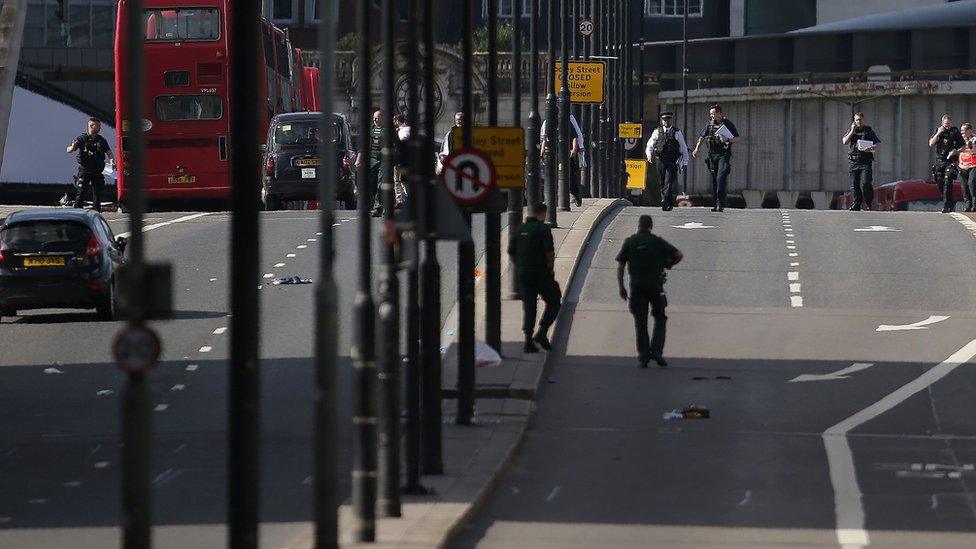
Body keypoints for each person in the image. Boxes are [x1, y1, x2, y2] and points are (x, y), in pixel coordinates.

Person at [616, 214, 683, 368]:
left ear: (638, 226)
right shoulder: (657, 242)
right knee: (660, 317)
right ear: (651, 226)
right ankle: (657, 350)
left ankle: (644, 355)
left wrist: (621, 287)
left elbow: (620, 267)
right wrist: (668, 264)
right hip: (655, 285)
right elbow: (679, 255)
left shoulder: (630, 242)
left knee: (640, 321)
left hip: (636, 286)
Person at [508, 202, 561, 353]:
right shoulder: (543, 228)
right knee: (555, 299)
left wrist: (520, 266)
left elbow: (511, 252)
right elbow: (549, 252)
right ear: (543, 213)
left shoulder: (520, 229)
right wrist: (550, 270)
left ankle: (527, 342)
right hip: (541, 273)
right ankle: (542, 331)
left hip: (524, 274)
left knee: (529, 305)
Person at [692, 104, 739, 212]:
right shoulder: (709, 125)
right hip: (712, 154)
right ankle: (716, 202)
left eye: (713, 113)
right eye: (710, 114)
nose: (711, 116)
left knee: (720, 177)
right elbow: (702, 137)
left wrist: (727, 139)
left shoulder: (727, 123)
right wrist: (696, 149)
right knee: (714, 179)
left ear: (719, 113)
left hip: (723, 153)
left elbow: (737, 138)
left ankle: (720, 203)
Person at [66, 118, 114, 212]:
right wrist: (72, 147)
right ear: (92, 126)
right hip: (85, 169)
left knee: (97, 191)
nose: (100, 128)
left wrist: (112, 160)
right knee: (81, 191)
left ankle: (96, 210)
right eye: (98, 126)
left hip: (97, 169)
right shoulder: (81, 138)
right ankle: (77, 210)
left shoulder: (101, 140)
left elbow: (109, 152)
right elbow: (69, 150)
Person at [645, 111, 690, 211]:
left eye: (668, 119)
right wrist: (649, 155)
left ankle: (664, 200)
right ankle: (667, 203)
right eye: (664, 119)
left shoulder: (677, 132)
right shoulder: (657, 131)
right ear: (661, 121)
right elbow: (650, 145)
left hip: (672, 160)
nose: (666, 121)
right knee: (661, 181)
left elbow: (683, 147)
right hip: (660, 160)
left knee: (669, 180)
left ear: (671, 120)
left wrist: (685, 162)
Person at [540, 114, 586, 207]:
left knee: (571, 177)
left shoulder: (567, 123)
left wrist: (574, 149)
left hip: (566, 154)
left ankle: (576, 196)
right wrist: (541, 154)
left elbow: (574, 137)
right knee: (552, 177)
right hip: (554, 154)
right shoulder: (549, 124)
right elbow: (545, 140)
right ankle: (553, 199)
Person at [841, 112, 881, 211]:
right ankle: (856, 204)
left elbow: (878, 144)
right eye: (857, 120)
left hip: (865, 160)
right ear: (854, 121)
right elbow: (844, 141)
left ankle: (868, 203)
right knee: (854, 184)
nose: (859, 121)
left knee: (866, 182)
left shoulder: (868, 130)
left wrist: (871, 148)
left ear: (864, 120)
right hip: (853, 161)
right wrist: (852, 132)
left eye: (860, 119)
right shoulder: (851, 130)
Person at [928, 114, 965, 213]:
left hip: (951, 160)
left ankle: (946, 205)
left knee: (948, 181)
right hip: (940, 160)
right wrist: (938, 133)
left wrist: (956, 152)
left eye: (948, 124)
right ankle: (952, 200)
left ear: (951, 123)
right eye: (945, 125)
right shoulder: (939, 130)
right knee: (940, 183)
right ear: (942, 124)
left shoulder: (955, 131)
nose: (947, 126)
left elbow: (963, 146)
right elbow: (931, 143)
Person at [355, 109, 384, 217]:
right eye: (373, 118)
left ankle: (378, 207)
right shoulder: (369, 130)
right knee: (371, 184)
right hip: (371, 159)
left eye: (376, 118)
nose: (374, 120)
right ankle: (372, 206)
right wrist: (359, 160)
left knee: (380, 183)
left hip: (383, 160)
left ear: (382, 118)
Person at [954, 122, 976, 212]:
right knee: (964, 186)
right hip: (962, 166)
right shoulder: (960, 140)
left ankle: (974, 204)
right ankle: (967, 204)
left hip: (973, 165)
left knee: (972, 183)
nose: (962, 133)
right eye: (961, 131)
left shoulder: (974, 139)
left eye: (964, 131)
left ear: (969, 130)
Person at [393, 113, 410, 208]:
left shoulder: (405, 130)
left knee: (402, 180)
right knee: (397, 181)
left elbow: (402, 143)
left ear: (397, 121)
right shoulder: (399, 130)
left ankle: (406, 198)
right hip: (399, 160)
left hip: (402, 160)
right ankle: (399, 200)